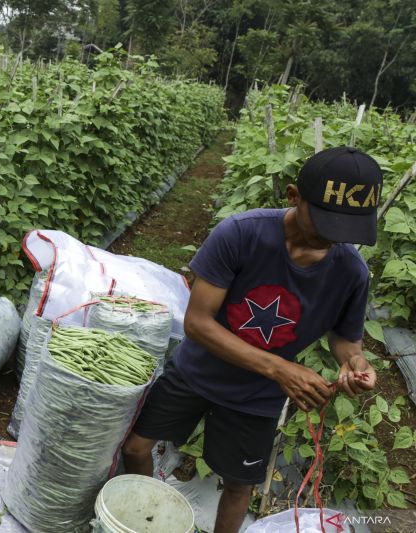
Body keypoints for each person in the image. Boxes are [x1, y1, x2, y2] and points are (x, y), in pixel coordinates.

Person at [122, 147, 381, 533]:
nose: (334, 237)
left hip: (256, 398)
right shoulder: (241, 234)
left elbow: (346, 340)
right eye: (326, 222)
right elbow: (197, 323)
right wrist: (280, 368)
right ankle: (147, 519)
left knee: (239, 484)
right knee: (136, 448)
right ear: (293, 196)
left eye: (348, 229)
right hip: (198, 371)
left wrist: (355, 363)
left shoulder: (351, 272)